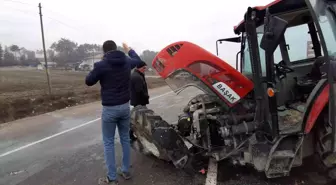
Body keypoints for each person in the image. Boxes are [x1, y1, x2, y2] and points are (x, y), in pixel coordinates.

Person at [85, 41, 142, 185]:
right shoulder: (127, 62)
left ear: (104, 51)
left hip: (110, 109)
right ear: (116, 49)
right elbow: (139, 61)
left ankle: (111, 178)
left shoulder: (101, 65)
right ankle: (125, 170)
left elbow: (89, 81)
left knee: (109, 142)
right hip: (124, 107)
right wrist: (129, 49)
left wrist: (96, 70)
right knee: (125, 138)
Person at [129, 61, 149, 142]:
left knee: (140, 118)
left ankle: (135, 134)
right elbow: (139, 90)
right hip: (139, 102)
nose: (145, 69)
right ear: (139, 68)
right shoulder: (137, 77)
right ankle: (132, 134)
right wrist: (146, 96)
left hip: (138, 101)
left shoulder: (137, 75)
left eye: (145, 68)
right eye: (144, 68)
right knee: (140, 119)